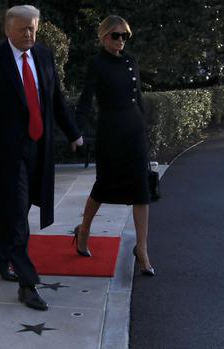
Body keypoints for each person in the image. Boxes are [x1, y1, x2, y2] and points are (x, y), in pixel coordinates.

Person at [0, 5, 83, 310]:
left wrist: (73, 132)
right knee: (18, 215)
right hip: (5, 154)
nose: (29, 34)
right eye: (23, 29)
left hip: (38, 150)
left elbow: (55, 98)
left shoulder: (44, 56)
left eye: (33, 28)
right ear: (8, 29)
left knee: (19, 209)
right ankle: (28, 284)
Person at [73, 15, 157, 276]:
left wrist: (144, 131)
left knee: (141, 189)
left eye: (125, 36)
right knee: (103, 187)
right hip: (110, 132)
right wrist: (75, 130)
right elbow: (86, 100)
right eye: (115, 35)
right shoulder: (96, 63)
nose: (120, 40)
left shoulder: (131, 61)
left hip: (134, 130)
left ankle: (141, 249)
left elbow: (138, 98)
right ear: (103, 36)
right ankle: (84, 229)